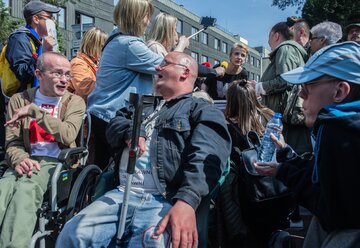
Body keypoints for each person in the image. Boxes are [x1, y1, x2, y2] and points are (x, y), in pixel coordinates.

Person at [56, 51, 231, 248]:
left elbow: (207, 156)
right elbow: (114, 125)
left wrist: (187, 201)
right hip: (121, 193)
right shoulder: (141, 106)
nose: (157, 67)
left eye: (165, 63)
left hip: (164, 198)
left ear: (185, 72)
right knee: (71, 234)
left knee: (152, 242)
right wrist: (131, 131)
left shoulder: (201, 110)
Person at [254, 41, 360, 248]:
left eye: (307, 87)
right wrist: (286, 156)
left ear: (339, 92)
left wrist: (284, 172)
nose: (300, 94)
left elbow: (330, 211)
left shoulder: (336, 129)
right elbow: (324, 178)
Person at [0, 52, 85, 248]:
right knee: (3, 189)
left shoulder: (74, 102)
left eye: (67, 74)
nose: (64, 80)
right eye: (57, 73)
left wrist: (35, 112)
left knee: (25, 191)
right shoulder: (19, 100)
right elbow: (12, 142)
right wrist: (19, 159)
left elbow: (68, 134)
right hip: (27, 159)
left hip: (56, 162)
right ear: (39, 74)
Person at [86, 0, 163, 169]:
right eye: (145, 16)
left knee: (99, 168)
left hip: (102, 113)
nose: (148, 22)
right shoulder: (130, 45)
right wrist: (180, 46)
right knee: (115, 172)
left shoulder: (116, 38)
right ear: (135, 17)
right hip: (113, 116)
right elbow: (168, 66)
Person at [253, 21, 312, 156]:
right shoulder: (292, 50)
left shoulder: (285, 49)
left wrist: (258, 87)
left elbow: (286, 80)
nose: (268, 41)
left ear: (276, 35)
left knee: (289, 161)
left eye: (269, 36)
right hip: (288, 118)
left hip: (286, 122)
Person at [5, 0, 59, 93]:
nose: (53, 22)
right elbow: (22, 73)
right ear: (36, 19)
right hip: (22, 98)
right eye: (50, 17)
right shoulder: (19, 38)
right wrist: (43, 53)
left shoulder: (40, 41)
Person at [68, 27, 108, 102]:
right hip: (80, 110)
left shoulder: (96, 63)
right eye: (102, 46)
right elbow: (86, 90)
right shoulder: (78, 63)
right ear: (91, 45)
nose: (105, 50)